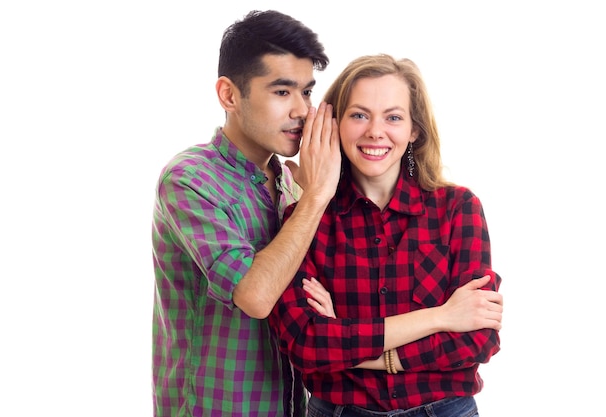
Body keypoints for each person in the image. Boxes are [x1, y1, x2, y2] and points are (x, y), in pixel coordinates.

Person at [269, 54, 504, 417]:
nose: (375, 132)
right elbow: (305, 344)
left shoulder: (458, 208)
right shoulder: (305, 221)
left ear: (413, 130)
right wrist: (441, 316)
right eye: (359, 115)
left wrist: (354, 347)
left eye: (393, 117)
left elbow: (477, 340)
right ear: (335, 124)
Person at [150, 10, 342, 417]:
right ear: (229, 95)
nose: (302, 111)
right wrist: (317, 197)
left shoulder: (291, 185)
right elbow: (254, 296)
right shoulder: (188, 178)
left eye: (306, 92)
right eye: (282, 92)